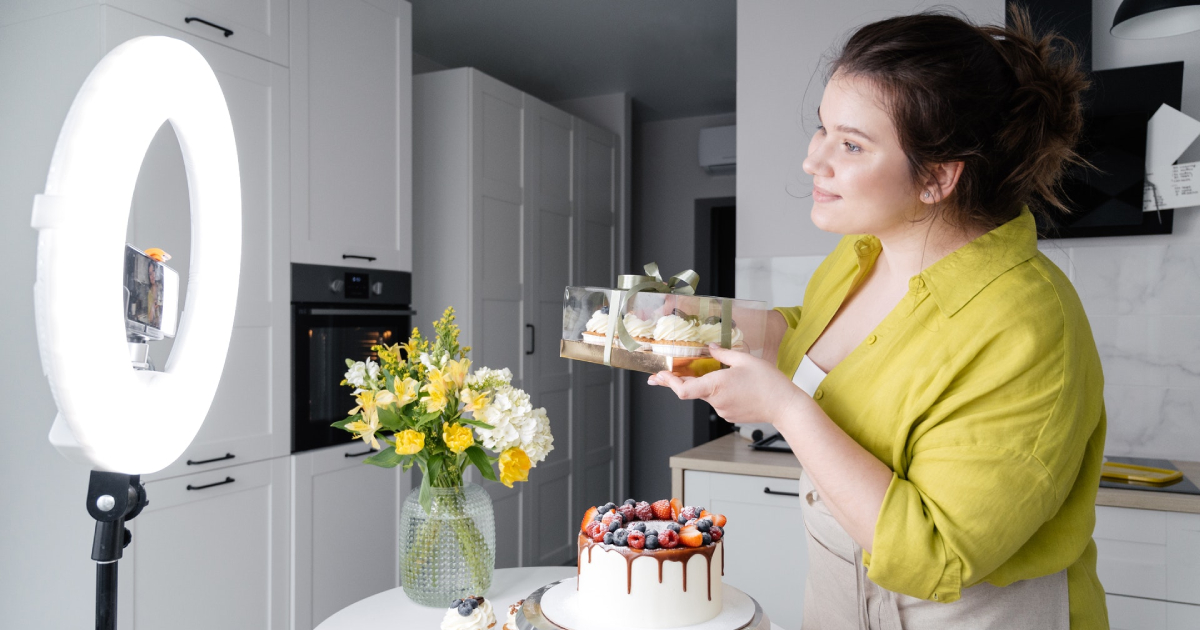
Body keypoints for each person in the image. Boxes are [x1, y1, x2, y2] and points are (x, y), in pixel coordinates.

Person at [649, 7, 1107, 629]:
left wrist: (783, 407)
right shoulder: (863, 251)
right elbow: (820, 333)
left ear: (938, 178)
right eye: (822, 130)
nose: (814, 161)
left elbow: (937, 555)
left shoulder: (1026, 326)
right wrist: (720, 325)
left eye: (851, 144)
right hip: (838, 593)